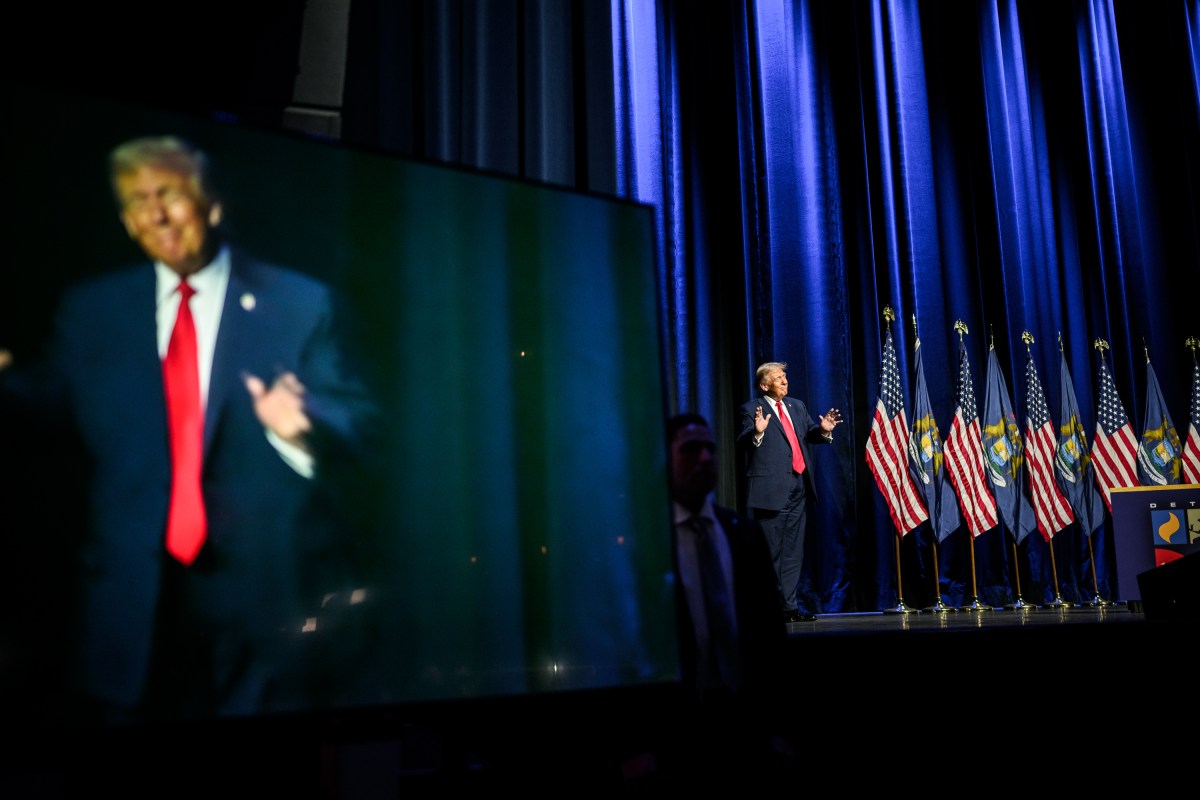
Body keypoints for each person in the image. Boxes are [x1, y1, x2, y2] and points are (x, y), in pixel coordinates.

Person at [0, 135, 378, 725]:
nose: (154, 214)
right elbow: (51, 404)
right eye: (136, 201)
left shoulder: (302, 304)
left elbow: (361, 427)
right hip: (130, 603)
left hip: (266, 609)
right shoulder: (93, 310)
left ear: (210, 203)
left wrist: (299, 430)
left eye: (168, 194)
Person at [636, 412, 794, 785]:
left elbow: (771, 637)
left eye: (710, 449)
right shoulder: (644, 543)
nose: (706, 458)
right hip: (673, 732)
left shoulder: (743, 534)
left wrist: (781, 728)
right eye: (692, 450)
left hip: (744, 725)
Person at [736, 362, 842, 623]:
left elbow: (809, 434)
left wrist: (823, 430)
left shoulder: (796, 405)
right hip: (769, 491)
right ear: (764, 385)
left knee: (794, 552)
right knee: (770, 552)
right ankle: (767, 609)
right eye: (778, 378)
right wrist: (757, 433)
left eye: (785, 376)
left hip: (799, 486)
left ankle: (789, 608)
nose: (784, 381)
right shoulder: (752, 409)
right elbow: (743, 440)